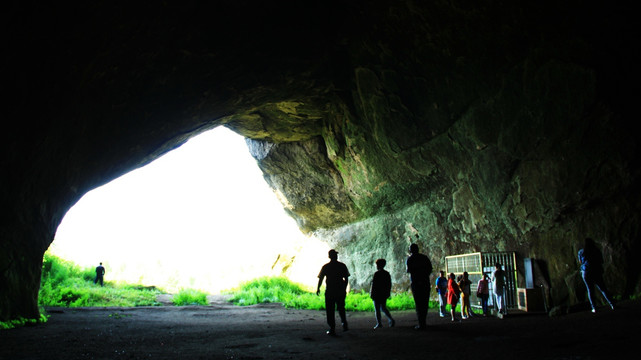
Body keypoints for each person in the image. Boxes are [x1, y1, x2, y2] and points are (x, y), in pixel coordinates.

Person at [317, 249, 350, 335]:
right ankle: (344, 323)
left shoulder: (326, 266)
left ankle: (332, 328)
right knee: (341, 308)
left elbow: (321, 278)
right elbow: (346, 279)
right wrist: (344, 289)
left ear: (329, 256)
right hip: (339, 290)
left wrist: (318, 288)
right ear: (336, 256)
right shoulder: (342, 266)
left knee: (330, 310)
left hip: (330, 290)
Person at [578, 237, 615, 313]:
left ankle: (594, 308)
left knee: (590, 290)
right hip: (595, 271)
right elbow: (601, 261)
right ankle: (612, 304)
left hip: (586, 272)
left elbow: (580, 262)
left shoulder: (581, 252)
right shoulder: (596, 250)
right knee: (602, 288)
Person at [406, 239, 433, 329]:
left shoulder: (410, 259)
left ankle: (421, 323)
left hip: (416, 283)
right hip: (425, 282)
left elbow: (408, 270)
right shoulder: (424, 258)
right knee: (425, 302)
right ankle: (423, 322)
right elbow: (429, 269)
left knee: (418, 303)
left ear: (411, 250)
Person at [370, 258, 395, 329]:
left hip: (377, 293)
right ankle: (390, 319)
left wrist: (372, 293)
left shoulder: (377, 274)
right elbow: (389, 284)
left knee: (377, 309)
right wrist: (388, 292)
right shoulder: (386, 274)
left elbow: (374, 285)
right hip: (383, 293)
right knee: (383, 307)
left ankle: (379, 323)